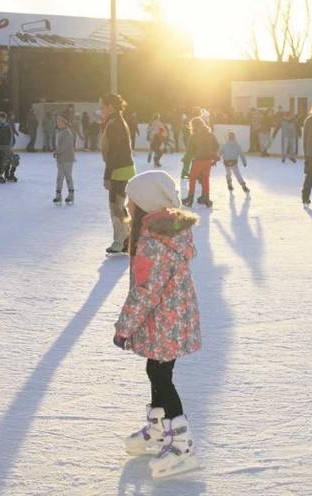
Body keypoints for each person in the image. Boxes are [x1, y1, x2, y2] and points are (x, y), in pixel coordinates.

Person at [113, 169, 201, 479]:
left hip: (164, 319)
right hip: (171, 318)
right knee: (158, 370)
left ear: (146, 205)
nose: (128, 207)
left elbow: (144, 292)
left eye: (131, 201)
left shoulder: (152, 243)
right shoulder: (168, 231)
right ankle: (160, 429)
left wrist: (124, 328)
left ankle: (182, 442)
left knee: (161, 375)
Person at [100, 92, 137, 255]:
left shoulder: (115, 123)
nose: (100, 110)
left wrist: (108, 175)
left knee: (116, 205)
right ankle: (126, 238)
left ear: (110, 107)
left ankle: (122, 241)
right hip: (121, 167)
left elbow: (114, 152)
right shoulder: (114, 121)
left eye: (102, 107)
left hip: (119, 169)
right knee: (117, 205)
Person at [181, 116, 219, 208]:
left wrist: (186, 158)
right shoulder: (210, 134)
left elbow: (190, 150)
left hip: (199, 160)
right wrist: (211, 153)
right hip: (209, 160)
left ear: (194, 125)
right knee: (205, 178)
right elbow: (217, 145)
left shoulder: (194, 136)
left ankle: (190, 198)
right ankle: (206, 198)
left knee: (193, 178)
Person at [52, 115, 75, 205]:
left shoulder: (67, 132)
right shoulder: (60, 132)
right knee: (59, 178)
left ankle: (71, 194)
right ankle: (58, 195)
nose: (58, 123)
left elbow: (64, 146)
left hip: (68, 159)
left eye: (60, 121)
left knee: (68, 177)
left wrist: (56, 151)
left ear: (65, 122)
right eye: (57, 122)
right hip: (60, 159)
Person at [0, 111, 16, 183]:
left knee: (14, 159)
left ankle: (9, 174)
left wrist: (11, 144)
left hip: (8, 146)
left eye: (4, 118)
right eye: (1, 118)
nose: (2, 120)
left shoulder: (8, 126)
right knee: (1, 161)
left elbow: (11, 135)